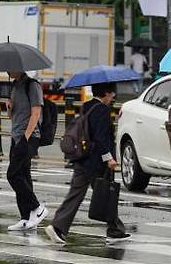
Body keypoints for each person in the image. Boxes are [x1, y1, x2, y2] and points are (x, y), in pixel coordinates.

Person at [45, 83, 130, 244]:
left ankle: (58, 226)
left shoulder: (87, 106)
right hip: (95, 161)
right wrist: (109, 158)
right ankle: (114, 230)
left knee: (77, 194)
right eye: (112, 94)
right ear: (105, 93)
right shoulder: (102, 110)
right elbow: (100, 137)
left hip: (82, 157)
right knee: (106, 193)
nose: (113, 98)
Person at [6, 71, 48, 231]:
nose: (8, 70)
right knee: (23, 175)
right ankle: (26, 218)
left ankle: (37, 208)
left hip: (29, 137)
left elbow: (36, 112)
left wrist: (26, 137)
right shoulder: (14, 86)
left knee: (13, 174)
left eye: (11, 67)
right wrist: (9, 108)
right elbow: (12, 116)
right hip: (16, 136)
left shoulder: (33, 85)